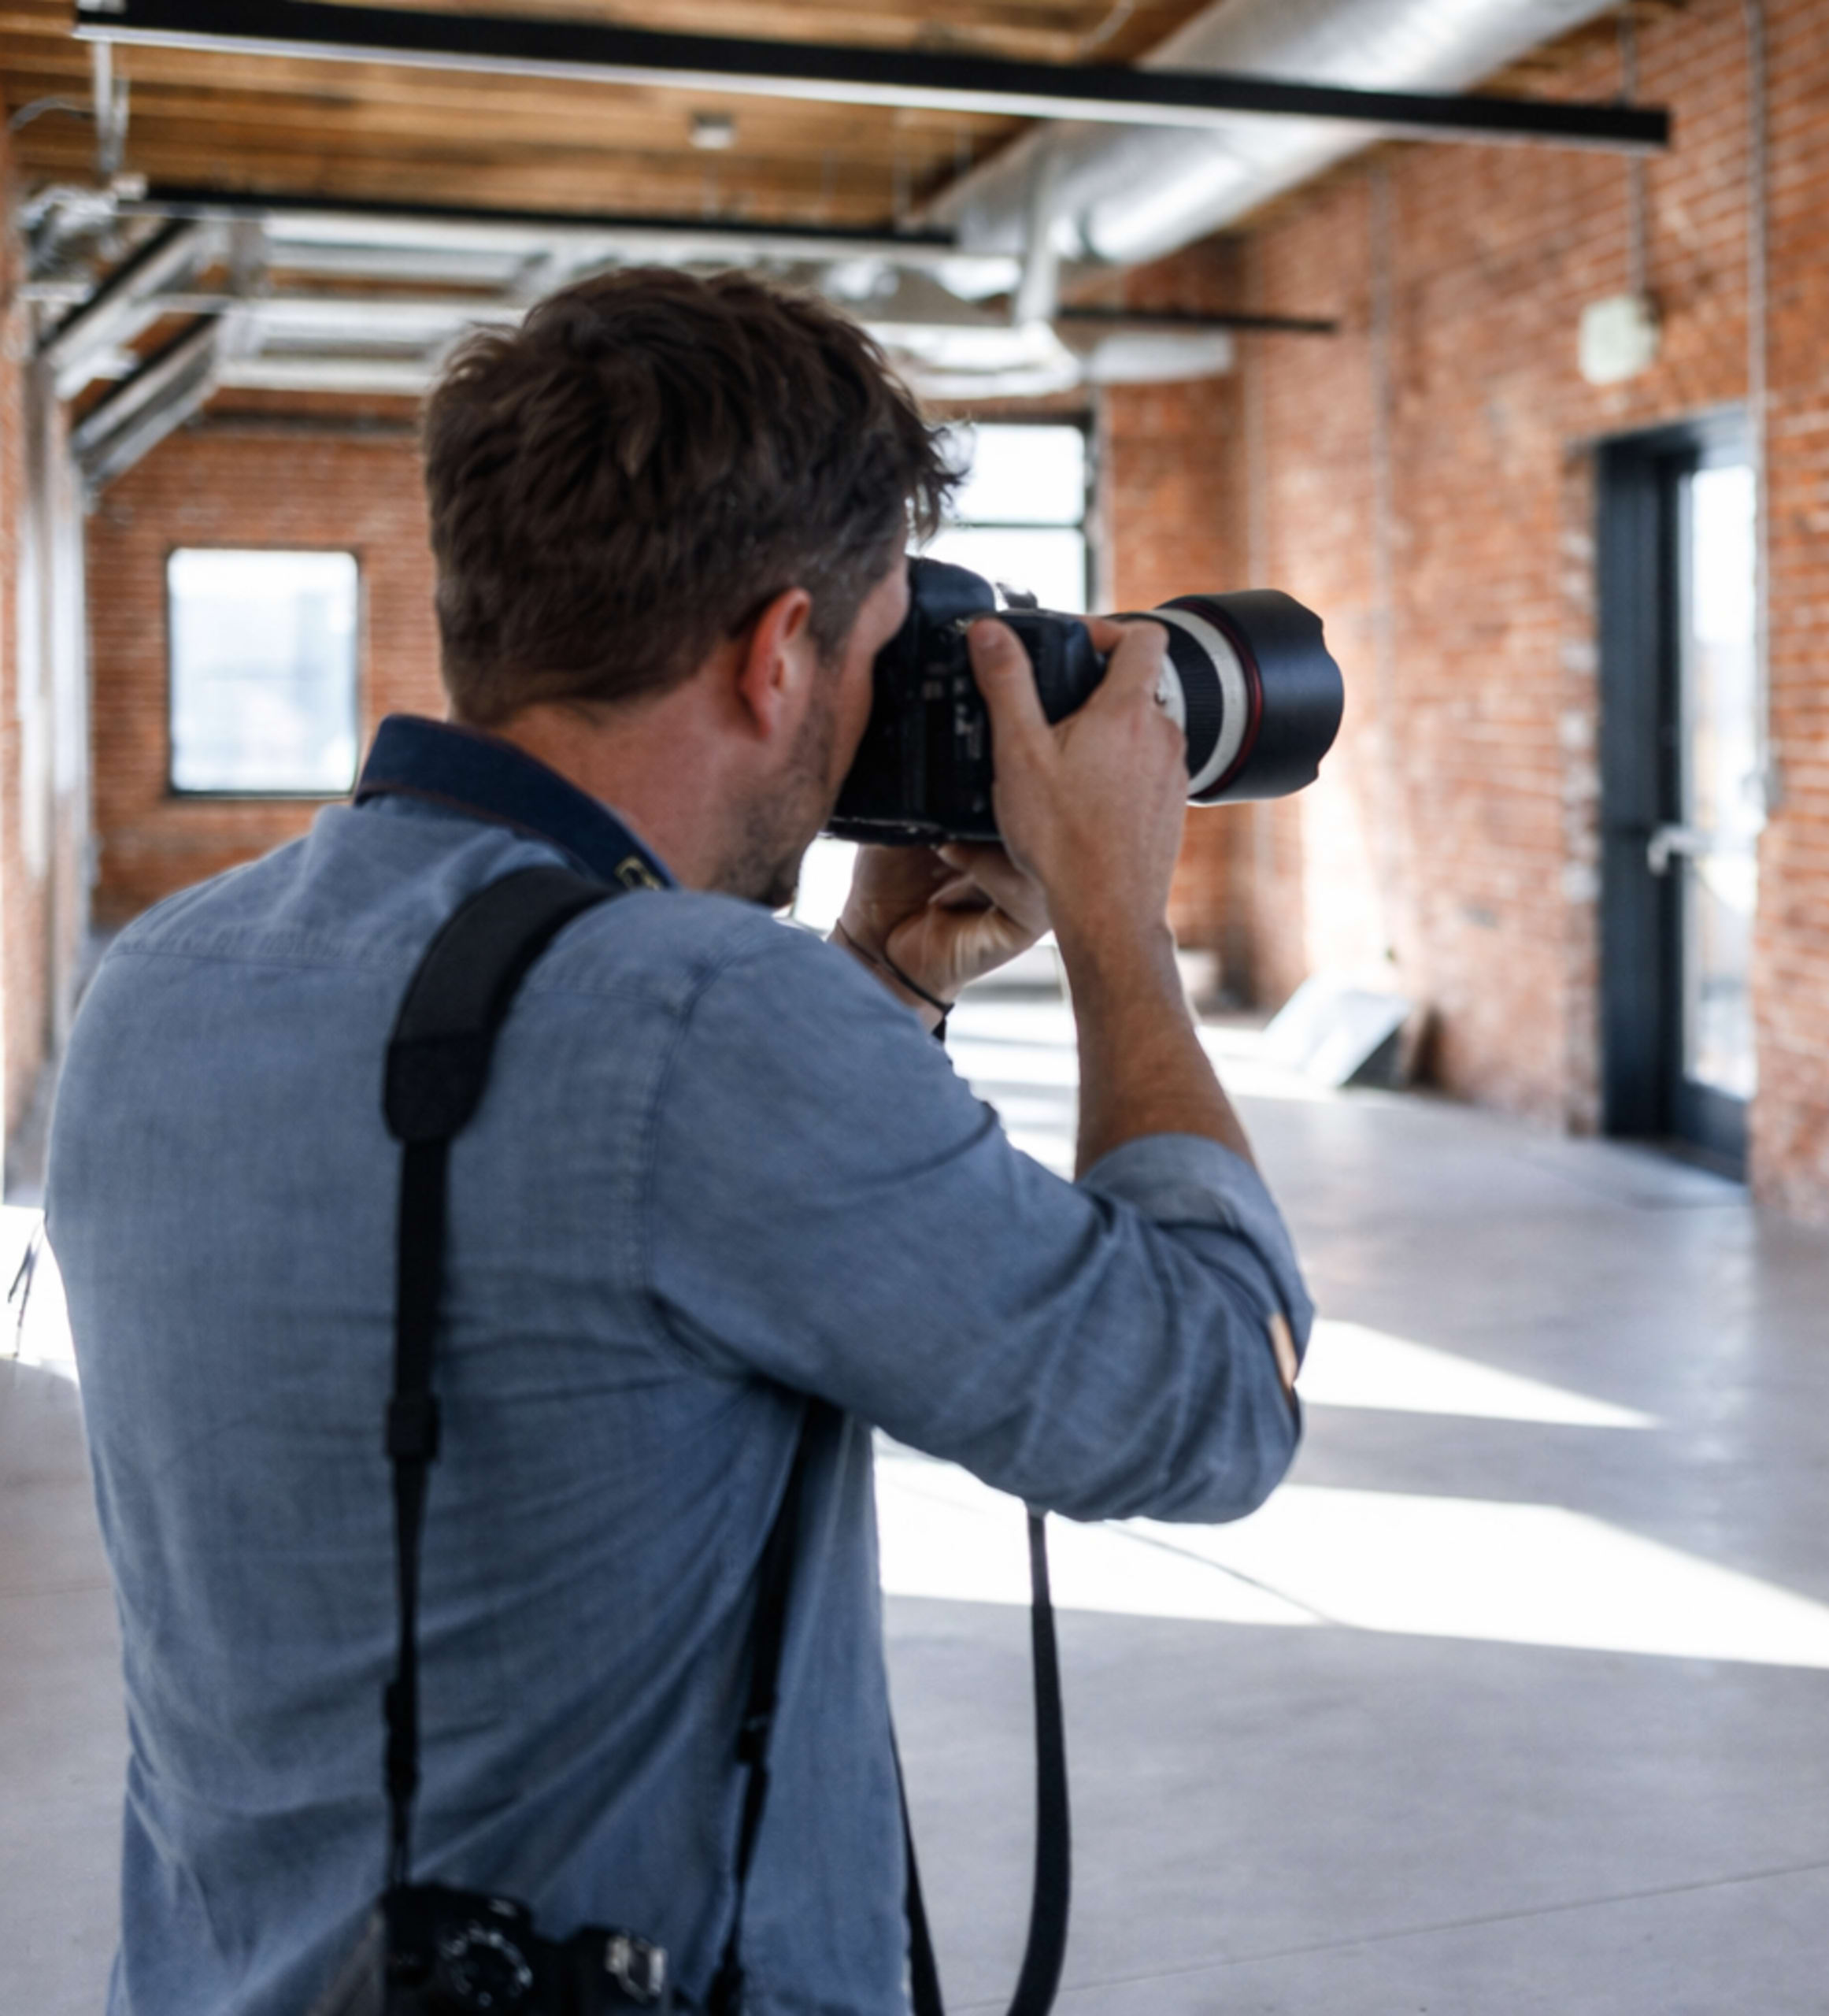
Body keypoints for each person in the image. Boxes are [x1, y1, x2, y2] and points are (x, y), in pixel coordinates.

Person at [44, 269, 1310, 2013]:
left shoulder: (162, 979)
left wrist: (871, 976)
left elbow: (580, 1278)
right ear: (779, 652)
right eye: (884, 654)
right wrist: (1116, 918)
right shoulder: (700, 1022)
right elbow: (1210, 1403)